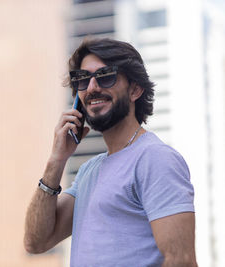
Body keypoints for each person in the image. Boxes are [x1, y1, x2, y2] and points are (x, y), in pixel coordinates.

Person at [24, 37, 197, 267]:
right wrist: (56, 160)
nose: (93, 87)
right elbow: (36, 242)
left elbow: (181, 261)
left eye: (105, 76)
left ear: (135, 89)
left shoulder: (154, 158)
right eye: (83, 80)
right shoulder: (89, 172)